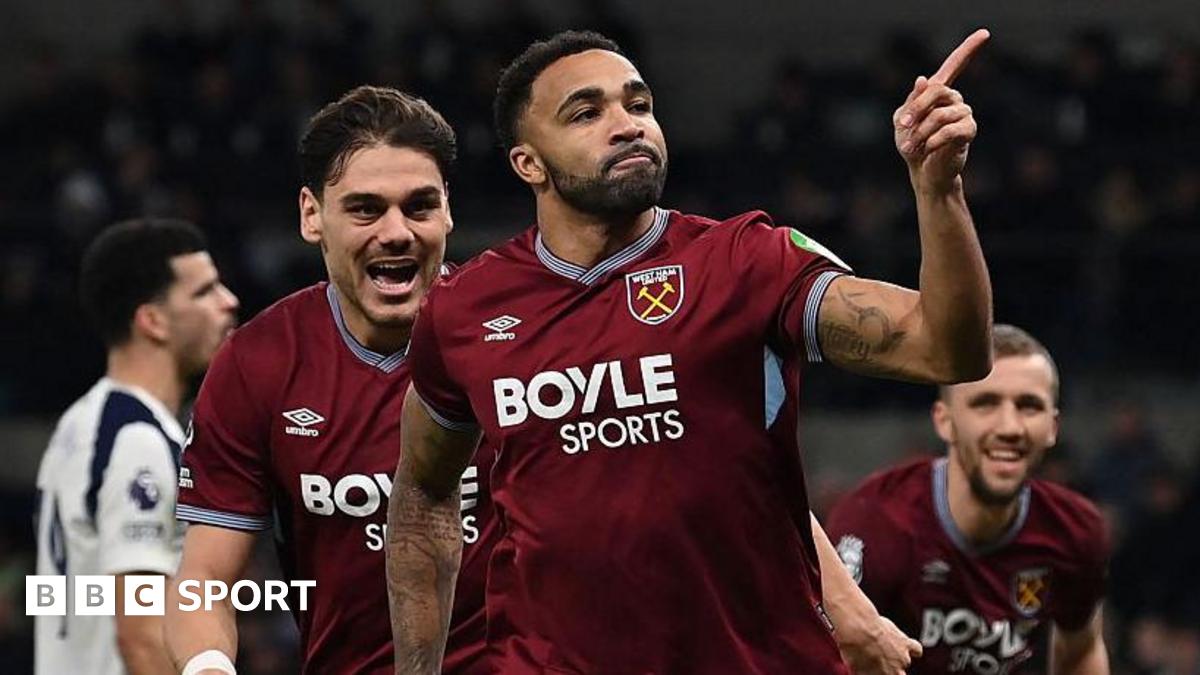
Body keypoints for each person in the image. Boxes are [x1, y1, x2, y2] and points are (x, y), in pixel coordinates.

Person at [387, 28, 994, 674]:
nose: (627, 126)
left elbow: (944, 350)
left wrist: (939, 190)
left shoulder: (747, 262)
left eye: (639, 105)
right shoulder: (465, 310)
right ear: (528, 163)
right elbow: (423, 490)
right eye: (587, 113)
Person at [165, 86, 497, 675]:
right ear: (312, 215)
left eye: (419, 206)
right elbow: (206, 578)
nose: (396, 232)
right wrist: (208, 667)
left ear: (449, 209)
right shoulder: (257, 363)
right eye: (366, 209)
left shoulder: (516, 336)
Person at [827, 324, 1111, 674]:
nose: (1009, 427)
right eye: (985, 403)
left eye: (1029, 406)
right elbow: (824, 655)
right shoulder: (874, 522)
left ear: (1053, 427)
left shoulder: (1076, 533)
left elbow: (1081, 650)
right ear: (944, 421)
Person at [34, 218, 239, 675]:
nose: (229, 302)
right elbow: (143, 634)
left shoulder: (80, 424)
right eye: (204, 292)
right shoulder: (137, 441)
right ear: (152, 320)